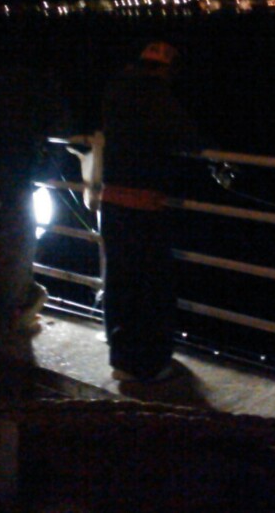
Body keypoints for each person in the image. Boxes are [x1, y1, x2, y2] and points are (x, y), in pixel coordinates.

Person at [100, 41, 202, 382]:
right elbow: (188, 138)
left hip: (111, 200)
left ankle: (120, 359)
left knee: (119, 282)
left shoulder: (115, 91)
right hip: (144, 206)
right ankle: (148, 364)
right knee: (151, 287)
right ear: (167, 70)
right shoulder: (158, 96)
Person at [0, 62, 72, 334]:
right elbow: (56, 128)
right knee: (18, 248)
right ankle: (9, 319)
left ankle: (2, 313)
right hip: (13, 181)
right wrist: (45, 174)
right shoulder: (39, 91)